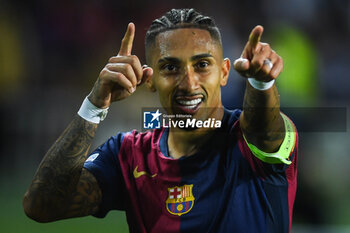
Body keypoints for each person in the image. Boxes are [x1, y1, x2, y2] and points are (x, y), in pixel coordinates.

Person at [23, 8, 298, 233]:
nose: (189, 83)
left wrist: (261, 84)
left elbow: (262, 126)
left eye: (202, 65)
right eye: (170, 67)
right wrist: (94, 105)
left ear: (224, 72)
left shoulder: (247, 141)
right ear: (151, 80)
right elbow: (42, 206)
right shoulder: (128, 154)